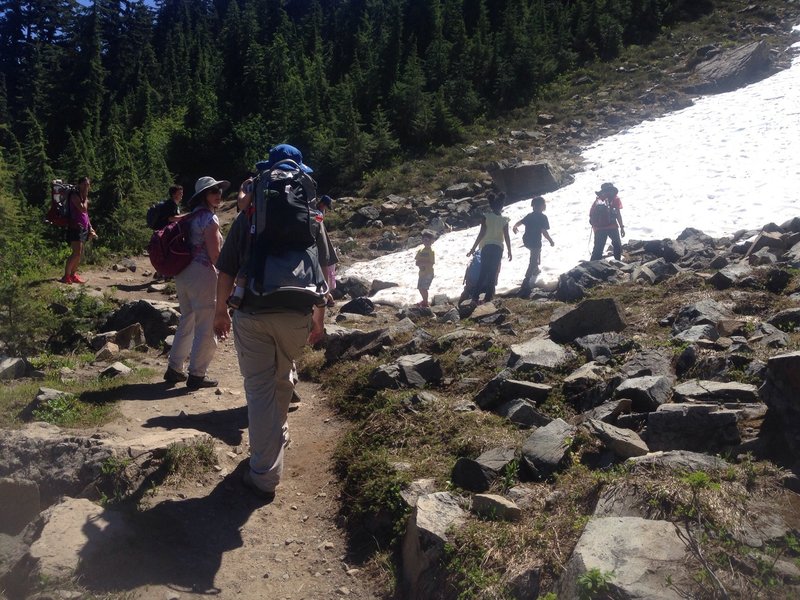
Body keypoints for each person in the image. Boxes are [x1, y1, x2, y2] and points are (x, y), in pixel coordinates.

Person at [213, 144, 326, 503]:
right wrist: (319, 318)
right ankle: (275, 438)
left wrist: (219, 311)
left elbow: (227, 268)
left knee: (260, 388)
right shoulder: (310, 214)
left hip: (254, 310)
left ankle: (263, 475)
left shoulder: (249, 215)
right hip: (298, 311)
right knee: (280, 376)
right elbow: (325, 271)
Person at [163, 176, 228, 390]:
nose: (218, 195)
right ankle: (197, 374)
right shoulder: (210, 219)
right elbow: (215, 255)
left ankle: (174, 368)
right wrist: (228, 276)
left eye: (219, 191)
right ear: (203, 196)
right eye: (213, 192)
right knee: (206, 324)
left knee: (187, 319)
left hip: (183, 273)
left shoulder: (190, 217)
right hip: (202, 274)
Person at [466, 192, 512, 302]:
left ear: (491, 206)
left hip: (486, 247)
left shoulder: (486, 217)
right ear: (501, 206)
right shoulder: (504, 220)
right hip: (498, 248)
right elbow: (506, 236)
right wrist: (510, 250)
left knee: (483, 271)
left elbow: (481, 233)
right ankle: (488, 298)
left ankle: (475, 297)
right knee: (493, 272)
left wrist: (473, 248)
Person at [513, 196, 555, 296]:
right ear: (541, 206)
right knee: (533, 259)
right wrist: (550, 240)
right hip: (535, 241)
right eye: (544, 204)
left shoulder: (530, 215)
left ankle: (536, 270)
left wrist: (515, 227)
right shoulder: (543, 217)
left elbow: (520, 222)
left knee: (535, 254)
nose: (545, 206)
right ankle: (526, 281)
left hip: (527, 240)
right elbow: (543, 231)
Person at [61, 176, 97, 284]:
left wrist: (90, 227)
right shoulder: (74, 195)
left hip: (83, 227)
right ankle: (66, 276)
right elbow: (83, 208)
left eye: (88, 184)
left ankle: (73, 275)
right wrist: (86, 198)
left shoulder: (82, 196)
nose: (87, 186)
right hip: (75, 227)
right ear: (79, 184)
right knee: (76, 252)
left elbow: (85, 214)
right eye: (85, 184)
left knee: (79, 253)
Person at [590, 182, 625, 261]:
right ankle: (618, 262)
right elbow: (618, 214)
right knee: (617, 246)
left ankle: (592, 267)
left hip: (599, 228)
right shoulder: (615, 199)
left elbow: (591, 215)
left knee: (598, 249)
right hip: (612, 226)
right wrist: (622, 227)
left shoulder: (598, 200)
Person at [316, 195, 339, 307]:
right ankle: (326, 295)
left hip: (320, 238)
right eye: (325, 205)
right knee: (324, 266)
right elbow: (319, 227)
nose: (325, 208)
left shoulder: (319, 211)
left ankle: (327, 294)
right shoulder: (317, 212)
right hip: (318, 242)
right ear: (322, 203)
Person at [415, 230, 435, 307]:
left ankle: (425, 302)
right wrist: (419, 263)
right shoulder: (420, 251)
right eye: (425, 240)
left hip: (428, 273)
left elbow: (431, 263)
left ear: (432, 241)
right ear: (422, 240)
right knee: (420, 288)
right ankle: (424, 300)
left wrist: (422, 263)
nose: (427, 242)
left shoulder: (431, 251)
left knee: (424, 288)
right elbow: (417, 262)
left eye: (429, 240)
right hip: (421, 273)